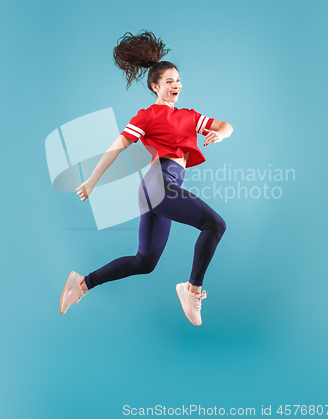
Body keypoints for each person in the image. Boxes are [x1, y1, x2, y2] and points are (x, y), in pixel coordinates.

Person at [59, 30, 233, 326]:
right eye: (169, 81)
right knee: (215, 225)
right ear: (155, 86)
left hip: (161, 190)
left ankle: (82, 283)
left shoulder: (189, 116)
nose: (176, 85)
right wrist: (91, 181)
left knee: (145, 263)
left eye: (178, 80)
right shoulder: (148, 115)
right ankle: (192, 289)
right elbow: (116, 148)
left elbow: (226, 125)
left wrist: (219, 133)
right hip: (158, 185)